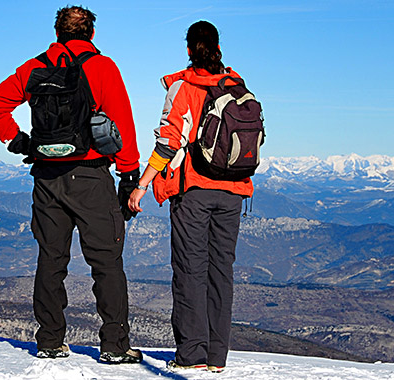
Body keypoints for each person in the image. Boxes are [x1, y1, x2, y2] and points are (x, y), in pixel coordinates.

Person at [0, 5, 142, 364]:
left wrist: (17, 140)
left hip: (46, 177)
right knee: (107, 263)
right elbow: (122, 124)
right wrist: (128, 174)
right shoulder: (102, 67)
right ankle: (115, 345)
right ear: (91, 34)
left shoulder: (33, 67)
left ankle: (50, 341)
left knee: (51, 260)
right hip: (90, 175)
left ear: (57, 33)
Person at [127, 20, 254, 373]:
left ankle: (193, 355)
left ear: (188, 49)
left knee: (189, 270)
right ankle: (217, 357)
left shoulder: (184, 87)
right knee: (221, 272)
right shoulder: (238, 87)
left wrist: (142, 184)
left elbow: (169, 141)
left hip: (193, 191)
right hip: (233, 192)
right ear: (218, 47)